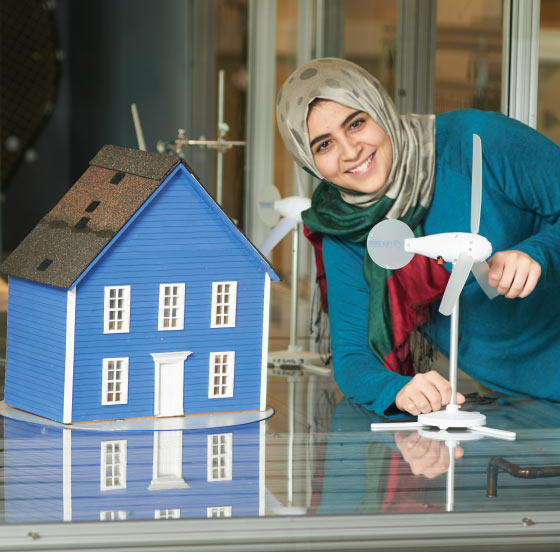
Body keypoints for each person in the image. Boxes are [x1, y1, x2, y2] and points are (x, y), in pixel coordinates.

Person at [276, 57, 560, 418]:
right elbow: (352, 357)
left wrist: (539, 254)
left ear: (381, 108)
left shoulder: (477, 141)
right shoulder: (342, 226)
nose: (350, 152)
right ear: (307, 159)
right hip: (523, 401)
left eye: (357, 123)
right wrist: (399, 388)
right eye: (324, 145)